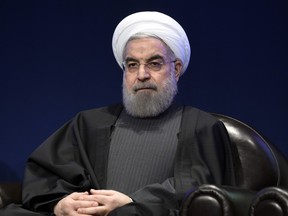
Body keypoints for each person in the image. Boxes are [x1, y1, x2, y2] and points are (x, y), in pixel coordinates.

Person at [1, 11, 238, 216]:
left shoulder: (201, 127)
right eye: (132, 65)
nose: (142, 74)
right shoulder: (90, 123)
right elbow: (45, 176)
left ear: (175, 69)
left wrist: (132, 205)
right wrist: (60, 205)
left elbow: (200, 192)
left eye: (154, 63)